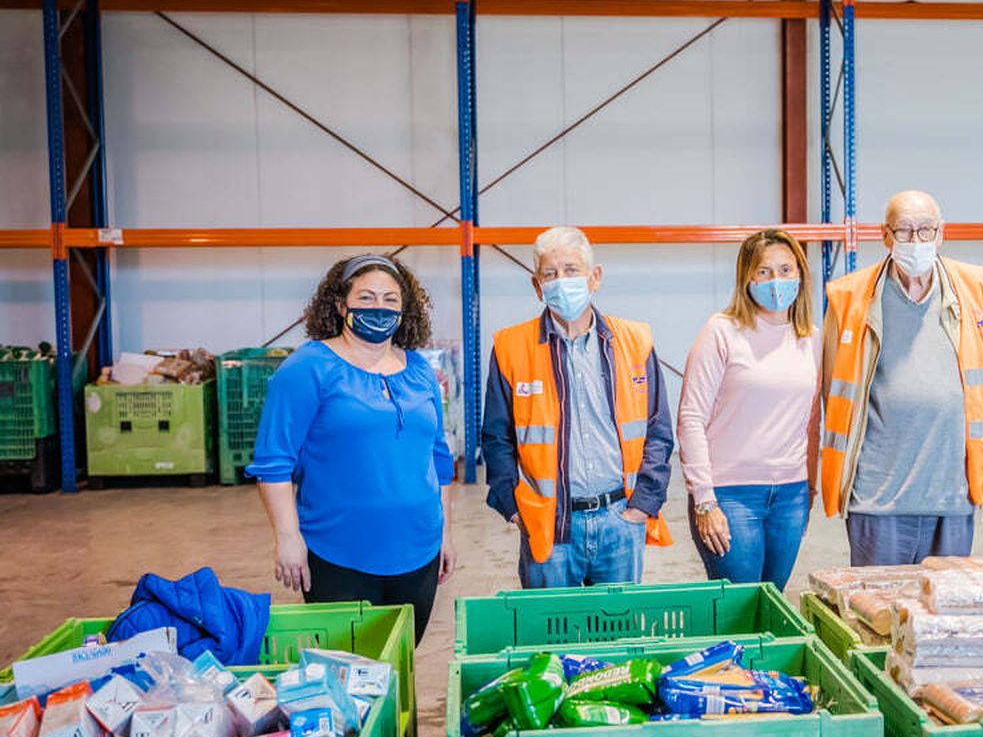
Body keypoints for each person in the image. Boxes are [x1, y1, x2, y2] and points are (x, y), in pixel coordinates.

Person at [249, 254, 456, 640]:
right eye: (366, 298)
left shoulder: (420, 370)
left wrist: (445, 532)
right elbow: (274, 463)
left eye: (390, 300)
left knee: (399, 665)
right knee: (348, 673)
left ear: (404, 309)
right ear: (341, 304)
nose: (378, 308)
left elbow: (439, 460)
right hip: (338, 554)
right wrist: (288, 538)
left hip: (419, 551)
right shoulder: (307, 367)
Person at [481, 226, 674, 588]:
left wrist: (643, 504)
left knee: (618, 637)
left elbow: (658, 431)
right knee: (552, 634)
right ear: (537, 285)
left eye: (571, 270)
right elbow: (496, 437)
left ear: (594, 277)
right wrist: (512, 507)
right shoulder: (510, 348)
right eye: (550, 274)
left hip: (621, 519)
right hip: (550, 525)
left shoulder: (634, 341)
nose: (561, 281)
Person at [820, 190, 983, 566]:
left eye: (925, 230)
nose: (915, 241)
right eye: (904, 231)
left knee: (944, 617)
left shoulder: (974, 289)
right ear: (885, 235)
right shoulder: (850, 297)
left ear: (941, 233)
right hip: (878, 499)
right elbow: (832, 394)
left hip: (951, 497)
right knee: (877, 615)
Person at [678, 229, 821, 588]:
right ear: (746, 278)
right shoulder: (722, 332)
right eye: (764, 271)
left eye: (786, 270)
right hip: (731, 494)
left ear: (801, 275)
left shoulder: (811, 338)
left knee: (771, 603)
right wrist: (705, 501)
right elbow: (691, 418)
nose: (776, 281)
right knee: (739, 606)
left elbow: (812, 420)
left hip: (790, 494)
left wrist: (810, 487)